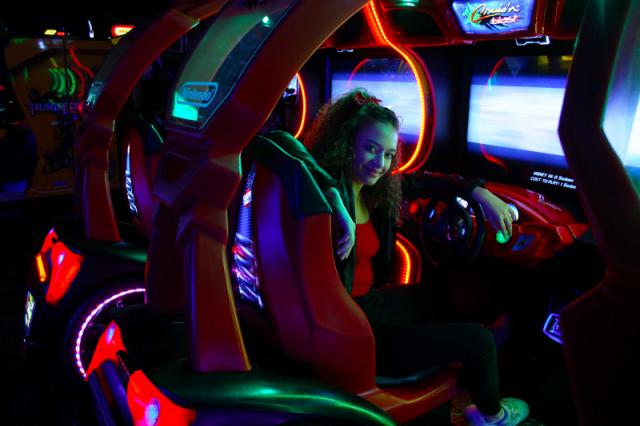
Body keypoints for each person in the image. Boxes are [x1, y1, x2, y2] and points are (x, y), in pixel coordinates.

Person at [265, 88, 528, 426]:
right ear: (345, 144)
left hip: (365, 308)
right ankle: (492, 415)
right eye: (370, 149)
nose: (380, 163)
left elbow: (424, 182)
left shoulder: (372, 190)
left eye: (388, 154)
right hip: (353, 335)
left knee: (440, 294)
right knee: (477, 342)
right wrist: (336, 202)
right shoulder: (324, 192)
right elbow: (288, 149)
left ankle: (473, 356)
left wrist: (478, 191)